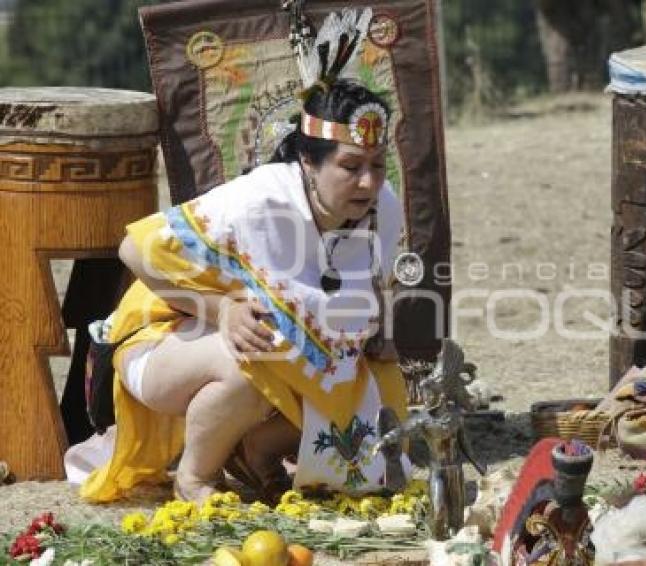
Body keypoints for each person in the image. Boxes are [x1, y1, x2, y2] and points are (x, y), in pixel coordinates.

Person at [79, 12, 409, 504]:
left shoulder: (382, 207)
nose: (368, 182)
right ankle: (195, 477)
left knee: (378, 387)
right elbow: (133, 249)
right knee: (255, 359)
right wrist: (220, 309)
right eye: (350, 167)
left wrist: (376, 333)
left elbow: (363, 290)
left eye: (377, 166)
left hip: (261, 343)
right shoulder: (258, 201)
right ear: (308, 163)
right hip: (167, 336)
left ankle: (258, 450)